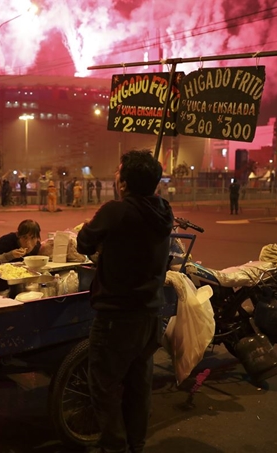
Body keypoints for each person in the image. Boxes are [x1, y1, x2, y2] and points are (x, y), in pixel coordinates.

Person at [76, 150, 174, 453]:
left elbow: (83, 242)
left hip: (117, 318)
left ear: (125, 182)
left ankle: (115, 448)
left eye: (119, 172)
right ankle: (136, 445)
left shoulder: (115, 211)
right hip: (149, 316)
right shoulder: (164, 211)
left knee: (104, 388)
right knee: (138, 386)